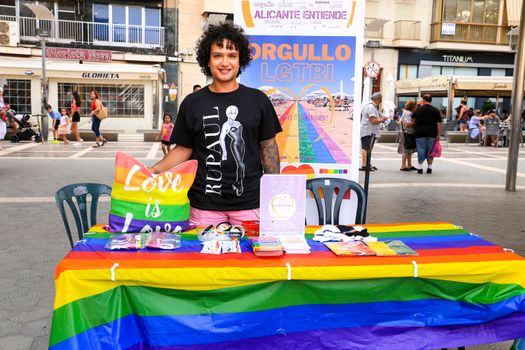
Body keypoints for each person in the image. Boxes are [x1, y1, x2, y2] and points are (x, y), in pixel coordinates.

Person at [148, 22, 282, 226]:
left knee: (250, 258)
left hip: (251, 205)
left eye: (231, 55)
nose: (225, 62)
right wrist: (154, 171)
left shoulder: (258, 100)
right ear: (207, 61)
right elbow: (183, 148)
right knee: (204, 258)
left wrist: (274, 191)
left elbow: (268, 147)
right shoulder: (192, 103)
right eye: (217, 55)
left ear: (240, 61)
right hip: (204, 207)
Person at [412, 94, 442, 174]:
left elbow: (413, 120)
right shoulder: (436, 110)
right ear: (431, 100)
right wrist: (438, 134)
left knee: (421, 150)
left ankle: (420, 167)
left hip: (420, 133)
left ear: (424, 100)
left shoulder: (418, 109)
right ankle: (429, 168)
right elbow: (438, 123)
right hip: (432, 133)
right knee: (430, 151)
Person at [360, 92, 388, 171]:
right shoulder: (371, 107)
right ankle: (364, 165)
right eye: (380, 100)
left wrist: (382, 118)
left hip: (368, 130)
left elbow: (378, 117)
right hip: (368, 131)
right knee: (366, 148)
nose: (381, 102)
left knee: (368, 148)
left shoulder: (372, 106)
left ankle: (367, 163)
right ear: (377, 99)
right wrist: (382, 120)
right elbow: (373, 120)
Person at [398, 100, 417, 171]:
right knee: (406, 149)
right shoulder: (408, 113)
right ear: (412, 107)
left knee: (409, 149)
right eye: (415, 106)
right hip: (406, 133)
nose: (416, 107)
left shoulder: (405, 112)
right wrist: (415, 122)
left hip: (405, 132)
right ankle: (403, 165)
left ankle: (409, 164)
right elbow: (407, 123)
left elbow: (400, 122)